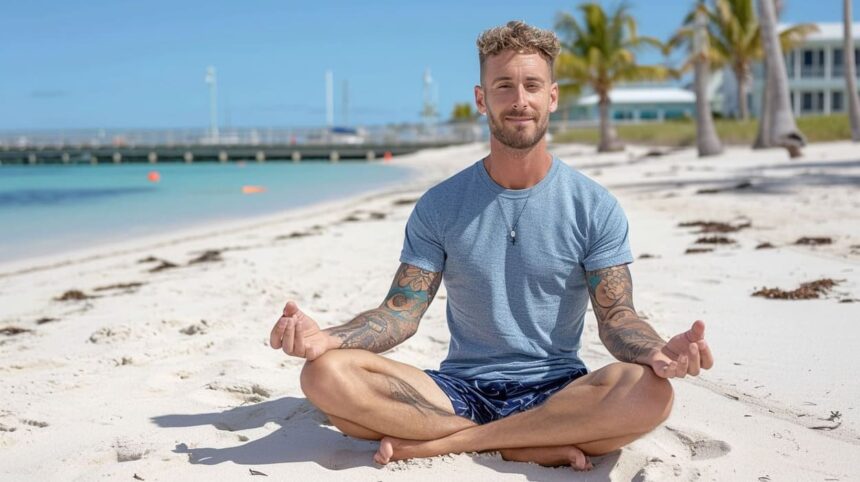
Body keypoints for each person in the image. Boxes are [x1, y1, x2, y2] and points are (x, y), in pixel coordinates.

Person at [269, 20, 713, 471]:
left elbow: (617, 316)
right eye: (504, 86)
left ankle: (445, 443)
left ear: (552, 97)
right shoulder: (440, 205)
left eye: (532, 85)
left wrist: (656, 351)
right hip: (459, 391)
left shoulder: (593, 206)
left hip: (558, 390)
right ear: (482, 100)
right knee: (324, 374)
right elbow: (399, 313)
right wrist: (327, 339)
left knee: (653, 391)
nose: (519, 100)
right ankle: (522, 443)